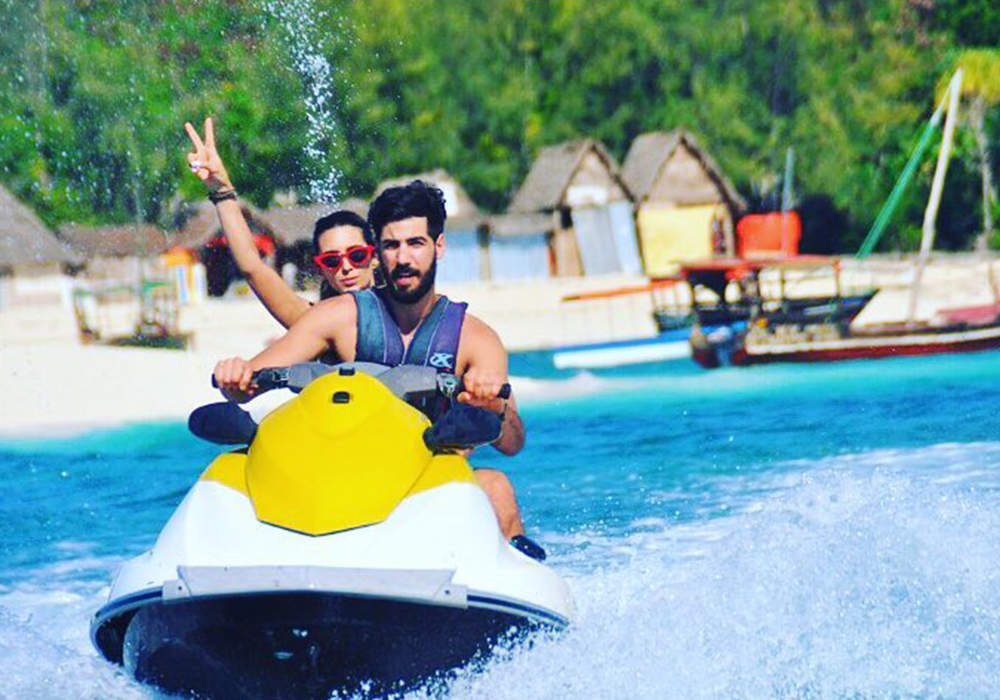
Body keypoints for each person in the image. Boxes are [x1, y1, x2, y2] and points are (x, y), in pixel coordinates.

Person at [213, 180, 543, 558]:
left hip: (428, 491)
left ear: (439, 246)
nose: (403, 259)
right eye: (391, 245)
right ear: (379, 253)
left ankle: (516, 573)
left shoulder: (476, 339)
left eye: (415, 243)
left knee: (495, 486)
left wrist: (494, 406)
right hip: (338, 487)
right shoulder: (338, 318)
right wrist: (235, 377)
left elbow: (512, 443)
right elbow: (248, 383)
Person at [184, 118, 376, 332]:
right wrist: (221, 190)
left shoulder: (400, 313)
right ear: (321, 269)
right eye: (332, 261)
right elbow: (253, 267)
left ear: (375, 257)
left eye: (357, 255)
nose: (346, 267)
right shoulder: (318, 324)